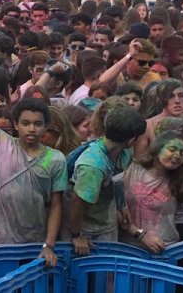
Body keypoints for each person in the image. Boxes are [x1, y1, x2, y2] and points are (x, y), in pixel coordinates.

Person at [0, 39, 65, 267]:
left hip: (35, 246)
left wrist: (49, 245)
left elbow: (56, 205)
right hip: (1, 242)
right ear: (16, 125)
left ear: (46, 127)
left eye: (38, 124)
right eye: (25, 123)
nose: (31, 129)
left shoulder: (56, 158)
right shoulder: (2, 142)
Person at [64, 106, 147, 255]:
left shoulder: (125, 151)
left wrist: (122, 205)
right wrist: (76, 235)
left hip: (105, 221)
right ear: (131, 140)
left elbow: (117, 176)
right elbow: (77, 202)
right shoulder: (93, 164)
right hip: (82, 226)